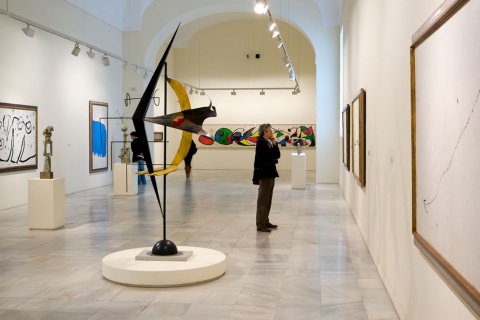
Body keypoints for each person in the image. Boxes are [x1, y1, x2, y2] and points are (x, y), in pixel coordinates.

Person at [253, 123, 281, 232]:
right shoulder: (261, 143)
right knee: (263, 200)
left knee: (268, 200)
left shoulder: (268, 142)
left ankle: (265, 221)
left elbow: (277, 155)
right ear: (265, 132)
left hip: (270, 173)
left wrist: (274, 143)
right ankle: (260, 224)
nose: (272, 133)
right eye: (270, 131)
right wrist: (274, 158)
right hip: (264, 174)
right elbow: (270, 157)